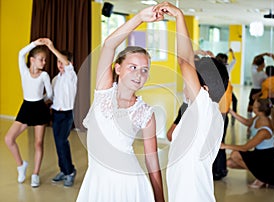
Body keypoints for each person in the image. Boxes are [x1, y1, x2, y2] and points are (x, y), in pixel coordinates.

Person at [76, 5, 164, 202]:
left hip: (128, 185)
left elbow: (152, 160)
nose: (139, 74)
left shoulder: (145, 113)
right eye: (132, 67)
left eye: (144, 70)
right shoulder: (104, 93)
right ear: (117, 68)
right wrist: (140, 17)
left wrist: (160, 198)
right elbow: (109, 45)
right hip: (97, 181)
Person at [154, 2, 226, 201]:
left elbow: (184, 62)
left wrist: (179, 16)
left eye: (189, 82)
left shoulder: (205, 108)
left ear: (204, 89)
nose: (184, 85)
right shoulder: (205, 111)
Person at [4, 38, 53, 187]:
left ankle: (35, 174)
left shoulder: (44, 76)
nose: (44, 62)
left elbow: (50, 95)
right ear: (32, 60)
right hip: (26, 108)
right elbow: (20, 54)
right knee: (8, 139)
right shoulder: (24, 72)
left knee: (38, 143)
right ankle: (21, 165)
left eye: (45, 60)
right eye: (41, 59)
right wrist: (35, 43)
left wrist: (40, 101)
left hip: (39, 108)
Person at [221, 98, 274, 188]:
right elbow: (247, 122)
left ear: (260, 110)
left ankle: (262, 177)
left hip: (266, 159)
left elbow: (245, 148)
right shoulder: (259, 117)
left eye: (254, 107)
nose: (251, 107)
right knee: (229, 163)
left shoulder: (264, 131)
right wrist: (231, 111)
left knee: (235, 154)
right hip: (258, 154)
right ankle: (261, 175)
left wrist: (224, 146)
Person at [44, 39, 78, 187]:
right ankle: (64, 171)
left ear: (69, 63)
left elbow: (68, 65)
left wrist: (52, 46)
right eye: (58, 62)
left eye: (62, 61)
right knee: (59, 144)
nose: (60, 64)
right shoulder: (55, 79)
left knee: (62, 142)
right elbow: (50, 97)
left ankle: (70, 171)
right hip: (56, 114)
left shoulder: (71, 76)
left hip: (67, 114)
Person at [254, 53, 274, 143]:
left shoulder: (265, 83)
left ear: (266, 73)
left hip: (267, 101)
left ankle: (266, 131)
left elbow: (264, 94)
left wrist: (257, 97)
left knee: (268, 117)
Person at [216, 49, 238, 125]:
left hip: (219, 89)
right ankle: (233, 116)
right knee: (234, 101)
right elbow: (235, 60)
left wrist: (227, 52)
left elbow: (218, 57)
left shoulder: (215, 67)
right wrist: (231, 52)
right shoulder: (227, 67)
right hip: (226, 89)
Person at [247, 53, 268, 119]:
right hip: (260, 91)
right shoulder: (265, 75)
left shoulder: (253, 70)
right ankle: (259, 120)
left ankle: (249, 119)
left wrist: (264, 54)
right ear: (263, 64)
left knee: (250, 106)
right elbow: (266, 86)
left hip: (253, 90)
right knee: (260, 106)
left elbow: (255, 58)